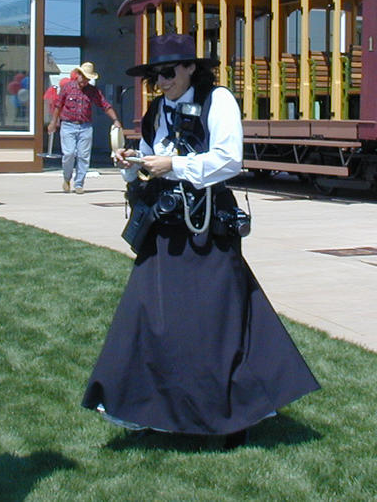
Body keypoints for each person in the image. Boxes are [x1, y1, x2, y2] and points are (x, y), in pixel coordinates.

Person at [82, 33, 319, 448]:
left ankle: (231, 416)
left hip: (208, 228)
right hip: (167, 228)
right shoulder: (157, 109)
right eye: (155, 74)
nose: (161, 81)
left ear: (191, 67)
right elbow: (153, 164)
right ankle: (150, 409)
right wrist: (133, 162)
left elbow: (229, 159)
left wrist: (173, 162)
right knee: (150, 319)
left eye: (169, 71)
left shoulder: (219, 100)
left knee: (217, 324)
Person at [47, 61, 122, 194]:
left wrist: (115, 120)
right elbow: (58, 105)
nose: (85, 81)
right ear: (78, 75)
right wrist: (53, 122)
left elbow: (105, 105)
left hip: (85, 126)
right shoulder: (67, 87)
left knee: (83, 156)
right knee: (69, 154)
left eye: (88, 79)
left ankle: (79, 183)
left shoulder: (92, 91)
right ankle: (67, 178)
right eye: (83, 77)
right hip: (68, 125)